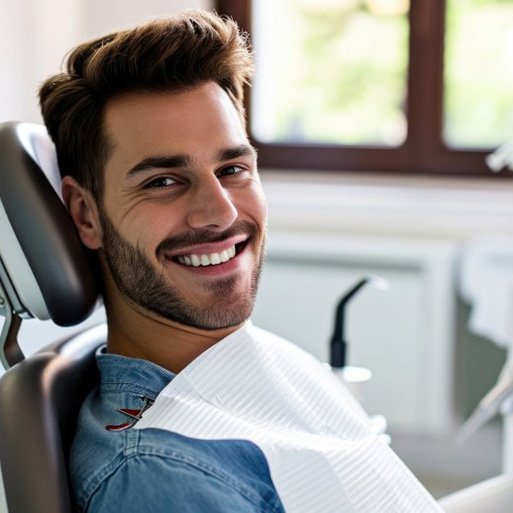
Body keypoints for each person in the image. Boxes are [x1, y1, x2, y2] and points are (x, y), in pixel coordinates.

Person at [39, 9, 443, 513]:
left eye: (232, 168)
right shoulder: (165, 477)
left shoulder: (256, 360)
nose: (221, 212)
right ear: (86, 214)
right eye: (163, 181)